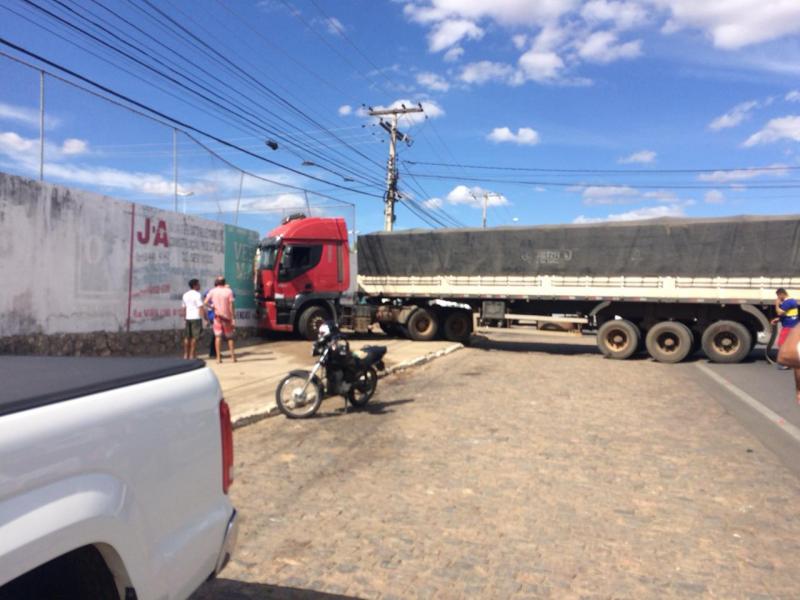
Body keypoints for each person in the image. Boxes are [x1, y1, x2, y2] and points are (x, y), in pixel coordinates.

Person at [205, 276, 236, 363]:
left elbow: (205, 302)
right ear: (224, 282)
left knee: (218, 337)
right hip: (227, 317)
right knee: (230, 337)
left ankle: (218, 358)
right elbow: (231, 305)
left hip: (217, 316)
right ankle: (233, 357)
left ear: (216, 282)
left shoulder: (212, 291)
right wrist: (233, 317)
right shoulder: (229, 291)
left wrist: (212, 307)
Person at [771, 288, 799, 370]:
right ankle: (792, 361)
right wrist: (778, 319)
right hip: (792, 325)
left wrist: (776, 304)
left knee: (781, 343)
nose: (778, 298)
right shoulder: (792, 301)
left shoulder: (787, 302)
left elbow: (779, 312)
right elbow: (789, 314)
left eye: (778, 296)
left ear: (781, 294)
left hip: (788, 326)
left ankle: (785, 363)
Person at [181, 278, 205, 359]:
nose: (200, 286)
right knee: (195, 337)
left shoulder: (185, 295)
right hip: (196, 317)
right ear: (195, 285)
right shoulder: (197, 294)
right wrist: (204, 318)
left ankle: (185, 354)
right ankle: (192, 354)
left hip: (188, 317)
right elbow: (201, 307)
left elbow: (184, 308)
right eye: (198, 284)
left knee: (187, 337)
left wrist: (184, 317)